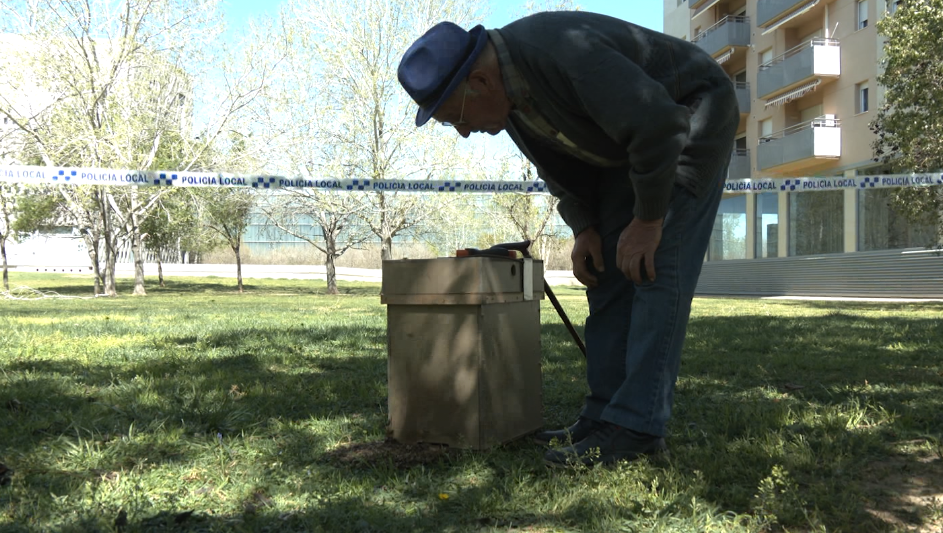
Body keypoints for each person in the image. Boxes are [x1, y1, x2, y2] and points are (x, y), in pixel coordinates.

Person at [397, 11, 739, 466]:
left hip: (685, 121)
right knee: (608, 276)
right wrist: (585, 227)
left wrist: (650, 220)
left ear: (479, 81)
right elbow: (558, 166)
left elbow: (659, 125)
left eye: (454, 117)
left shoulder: (559, 52)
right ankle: (602, 418)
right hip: (627, 149)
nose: (462, 131)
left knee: (653, 270)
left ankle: (636, 428)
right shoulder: (508, 96)